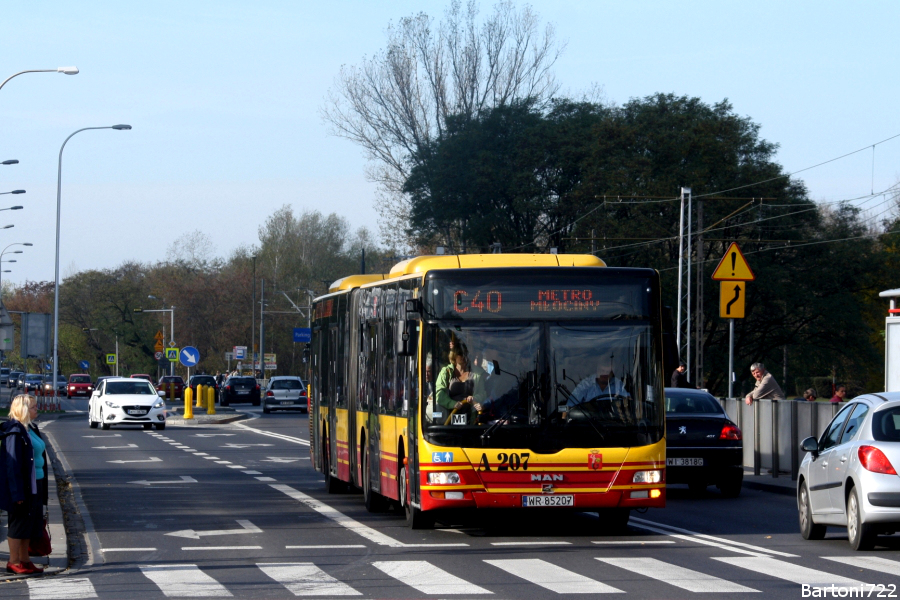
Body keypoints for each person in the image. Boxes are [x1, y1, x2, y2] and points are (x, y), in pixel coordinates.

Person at [0, 395, 47, 575]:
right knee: (18, 523)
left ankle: (25, 560)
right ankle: (13, 561)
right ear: (24, 409)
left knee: (30, 523)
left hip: (37, 483)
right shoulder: (14, 431)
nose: (37, 410)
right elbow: (12, 465)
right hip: (23, 486)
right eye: (34, 407)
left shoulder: (31, 428)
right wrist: (17, 493)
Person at [435, 345, 485, 424]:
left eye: (466, 353)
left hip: (471, 415)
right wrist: (453, 404)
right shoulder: (446, 372)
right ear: (454, 356)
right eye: (460, 353)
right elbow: (438, 393)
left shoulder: (477, 373)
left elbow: (483, 393)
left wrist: (474, 398)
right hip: (449, 415)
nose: (463, 356)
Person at [564, 358, 630, 418]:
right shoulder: (585, 384)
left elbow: (629, 403)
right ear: (597, 370)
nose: (604, 375)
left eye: (607, 372)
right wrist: (563, 420)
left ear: (612, 373)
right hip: (590, 425)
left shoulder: (618, 384)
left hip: (614, 424)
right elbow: (569, 407)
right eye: (602, 371)